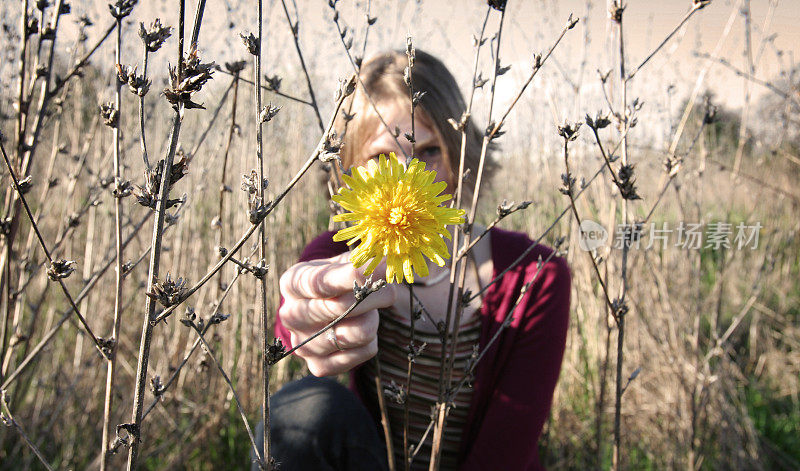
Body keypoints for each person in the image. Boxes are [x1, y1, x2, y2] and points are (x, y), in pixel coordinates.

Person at [261, 50, 571, 471]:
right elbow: (293, 322)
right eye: (383, 159)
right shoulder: (337, 251)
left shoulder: (536, 273)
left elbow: (507, 449)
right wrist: (311, 313)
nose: (410, 177)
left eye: (428, 151)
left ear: (461, 156)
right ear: (348, 169)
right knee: (298, 410)